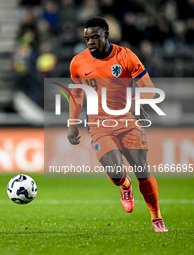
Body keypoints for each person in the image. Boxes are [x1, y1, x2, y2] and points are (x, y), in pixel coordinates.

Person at [67, 16, 168, 232]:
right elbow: (76, 95)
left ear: (106, 35)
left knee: (142, 170)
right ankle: (125, 185)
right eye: (87, 38)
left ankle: (156, 217)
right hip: (98, 123)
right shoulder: (78, 62)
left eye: (95, 37)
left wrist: (137, 103)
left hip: (127, 120)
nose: (90, 42)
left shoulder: (125, 56)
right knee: (115, 172)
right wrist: (72, 123)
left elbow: (148, 87)